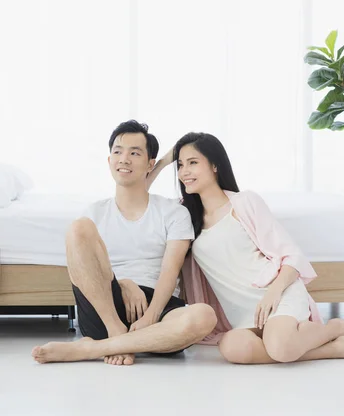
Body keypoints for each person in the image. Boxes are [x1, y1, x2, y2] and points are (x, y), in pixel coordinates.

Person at [158, 131, 344, 364]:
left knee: (279, 347)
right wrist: (163, 162)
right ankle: (326, 345)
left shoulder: (243, 203)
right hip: (243, 315)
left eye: (193, 163)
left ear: (215, 165)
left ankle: (334, 331)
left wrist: (273, 293)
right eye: (180, 165)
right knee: (232, 347)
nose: (184, 172)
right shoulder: (183, 216)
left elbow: (292, 257)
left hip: (276, 296)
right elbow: (137, 191)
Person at [31, 121, 216, 365]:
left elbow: (170, 271)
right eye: (118, 152)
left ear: (150, 164)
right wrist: (123, 284)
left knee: (204, 316)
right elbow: (87, 268)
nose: (124, 159)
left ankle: (93, 349)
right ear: (109, 161)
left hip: (157, 306)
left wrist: (150, 317)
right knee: (78, 228)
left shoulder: (173, 212)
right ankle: (117, 332)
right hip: (105, 305)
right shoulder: (94, 213)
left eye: (134, 152)